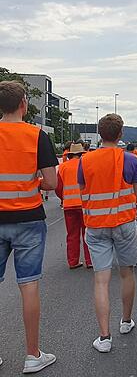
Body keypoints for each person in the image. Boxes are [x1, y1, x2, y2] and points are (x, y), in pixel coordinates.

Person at [0, 81, 58, 373]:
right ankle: (32, 355)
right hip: (28, 219)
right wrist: (30, 183)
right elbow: (51, 182)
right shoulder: (37, 136)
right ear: (24, 103)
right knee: (29, 285)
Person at [79, 114, 137, 353]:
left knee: (101, 280)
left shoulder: (86, 161)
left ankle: (104, 337)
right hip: (124, 222)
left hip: (96, 225)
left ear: (99, 133)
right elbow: (136, 194)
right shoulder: (131, 160)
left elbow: (84, 191)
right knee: (127, 274)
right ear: (121, 134)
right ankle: (126, 322)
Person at [54, 143, 91, 269]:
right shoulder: (85, 165)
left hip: (69, 205)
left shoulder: (63, 167)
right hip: (84, 204)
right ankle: (90, 260)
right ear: (81, 154)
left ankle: (73, 261)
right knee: (87, 233)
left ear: (69, 155)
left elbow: (58, 187)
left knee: (72, 234)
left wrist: (63, 198)